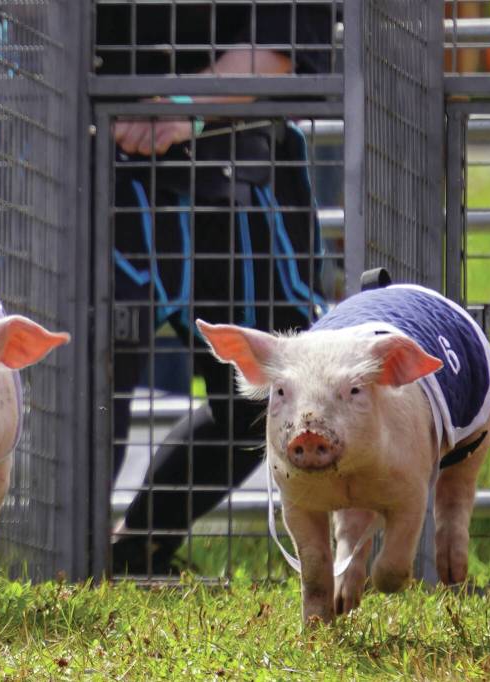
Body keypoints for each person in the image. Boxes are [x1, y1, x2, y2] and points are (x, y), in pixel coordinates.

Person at [96, 2, 337, 575]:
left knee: (275, 393)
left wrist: (188, 100)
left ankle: (137, 545)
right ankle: (71, 558)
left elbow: (287, 33)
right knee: (94, 381)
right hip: (100, 169)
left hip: (243, 172)